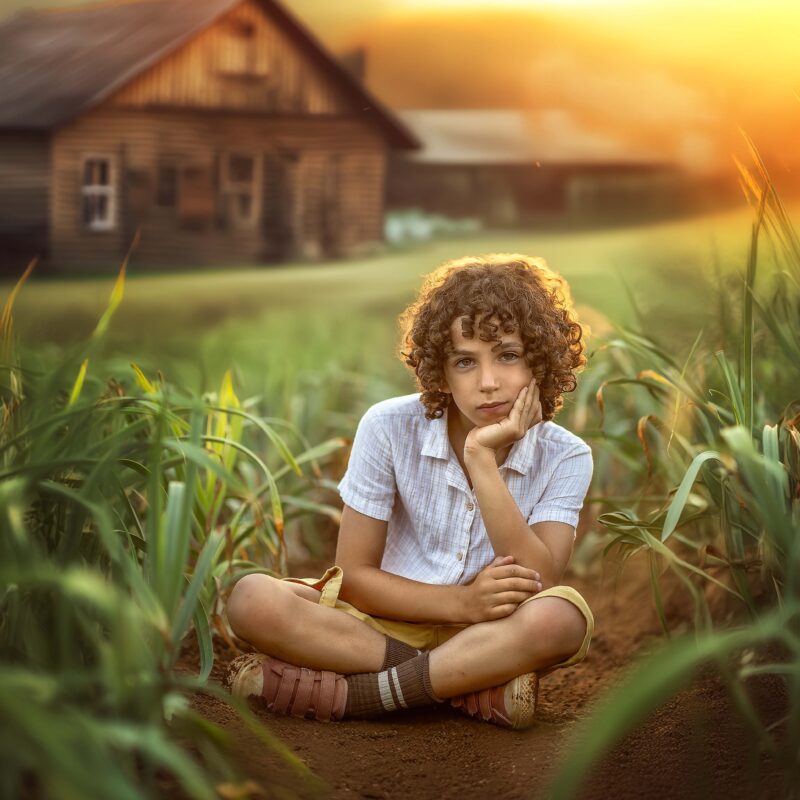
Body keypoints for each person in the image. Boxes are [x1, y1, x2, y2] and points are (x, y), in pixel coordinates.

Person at [225, 253, 594, 730]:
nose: (488, 382)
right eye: (465, 361)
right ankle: (464, 687)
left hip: (493, 634)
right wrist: (463, 604)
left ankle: (360, 696)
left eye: (507, 354)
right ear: (439, 372)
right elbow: (355, 576)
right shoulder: (388, 426)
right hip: (379, 625)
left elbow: (537, 581)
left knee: (560, 619)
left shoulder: (566, 455)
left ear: (539, 361)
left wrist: (482, 461)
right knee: (252, 600)